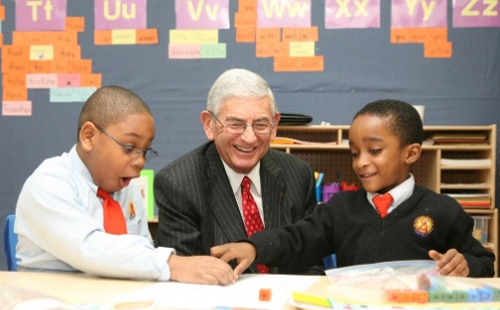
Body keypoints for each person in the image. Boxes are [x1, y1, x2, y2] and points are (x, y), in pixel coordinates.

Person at [211, 99, 495, 278]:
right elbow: (297, 237)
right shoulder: (340, 210)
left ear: (411, 153)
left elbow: (485, 261)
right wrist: (253, 246)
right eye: (355, 152)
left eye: (374, 150)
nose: (361, 163)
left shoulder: (444, 211)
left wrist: (466, 265)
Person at [15, 85, 235, 285]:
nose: (140, 161)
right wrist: (173, 264)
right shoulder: (48, 183)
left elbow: (141, 250)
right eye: (129, 147)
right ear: (89, 136)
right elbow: (90, 249)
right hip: (51, 298)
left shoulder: (126, 188)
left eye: (145, 151)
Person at [154, 68, 322, 274]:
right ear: (209, 124)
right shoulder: (178, 183)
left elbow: (310, 263)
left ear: (275, 125)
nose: (250, 137)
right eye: (235, 124)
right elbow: (185, 280)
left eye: (261, 124)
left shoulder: (298, 174)